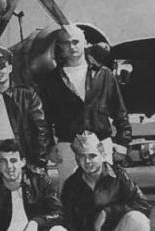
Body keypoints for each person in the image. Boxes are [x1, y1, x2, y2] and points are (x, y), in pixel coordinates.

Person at [39, 24, 132, 185]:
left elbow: (120, 111)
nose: (72, 46)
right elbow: (44, 118)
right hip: (67, 146)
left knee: (106, 194)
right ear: (60, 47)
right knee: (70, 198)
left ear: (85, 43)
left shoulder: (104, 74)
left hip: (101, 143)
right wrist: (48, 146)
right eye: (66, 43)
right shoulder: (51, 80)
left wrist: (123, 142)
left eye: (76, 41)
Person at [62, 131, 152, 231]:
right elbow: (67, 222)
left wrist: (109, 212)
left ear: (102, 155)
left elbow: (144, 204)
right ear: (77, 159)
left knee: (137, 220)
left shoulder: (118, 175)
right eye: (82, 157)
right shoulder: (71, 185)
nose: (87, 161)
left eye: (92, 155)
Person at [0, 44, 50, 179]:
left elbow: (41, 129)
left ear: (10, 68)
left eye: (2, 66)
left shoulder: (27, 95)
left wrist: (39, 162)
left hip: (20, 148)